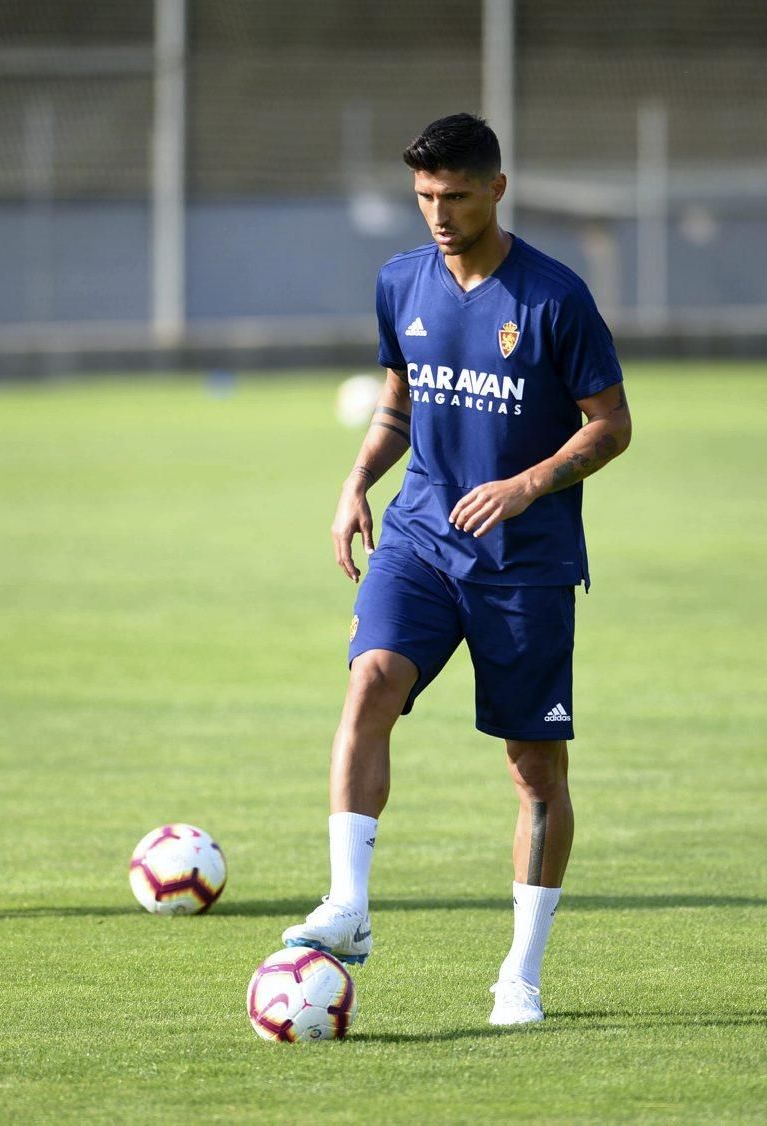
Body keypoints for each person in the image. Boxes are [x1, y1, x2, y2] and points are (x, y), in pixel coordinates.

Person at [282, 112, 632, 1025]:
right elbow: (400, 404)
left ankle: (521, 971)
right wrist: (357, 483)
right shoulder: (401, 282)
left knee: (533, 772)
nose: (439, 213)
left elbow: (612, 426)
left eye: (457, 196)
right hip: (422, 537)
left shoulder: (555, 298)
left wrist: (526, 485)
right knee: (370, 685)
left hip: (527, 563)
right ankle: (350, 906)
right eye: (426, 197)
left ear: (498, 191)